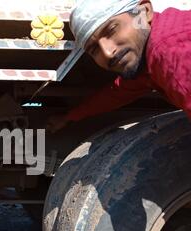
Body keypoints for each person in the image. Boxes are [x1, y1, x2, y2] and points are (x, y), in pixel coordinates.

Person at [46, 0, 191, 133]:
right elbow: (117, 92)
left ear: (144, 11)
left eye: (111, 30)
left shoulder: (170, 52)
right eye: (94, 49)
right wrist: (69, 116)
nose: (108, 52)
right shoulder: (148, 57)